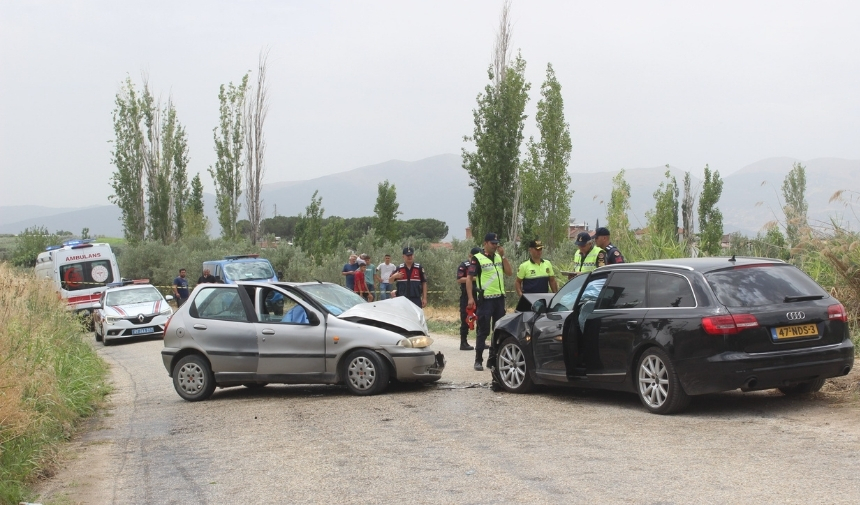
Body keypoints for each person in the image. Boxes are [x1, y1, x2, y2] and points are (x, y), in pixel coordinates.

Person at [466, 233, 512, 372]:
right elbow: (469, 278)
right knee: (483, 331)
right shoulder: (477, 259)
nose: (495, 245)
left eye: (496, 243)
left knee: (498, 331)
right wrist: (470, 298)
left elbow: (509, 273)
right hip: (486, 299)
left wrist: (504, 256)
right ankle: (478, 359)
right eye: (492, 243)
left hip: (499, 299)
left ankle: (493, 359)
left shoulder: (499, 257)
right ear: (485, 243)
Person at [456, 247, 481, 351]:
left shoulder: (480, 266)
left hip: (479, 294)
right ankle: (463, 342)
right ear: (470, 256)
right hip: (467, 295)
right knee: (466, 318)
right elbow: (459, 279)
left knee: (481, 318)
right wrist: (472, 278)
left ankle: (480, 341)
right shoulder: (464, 265)